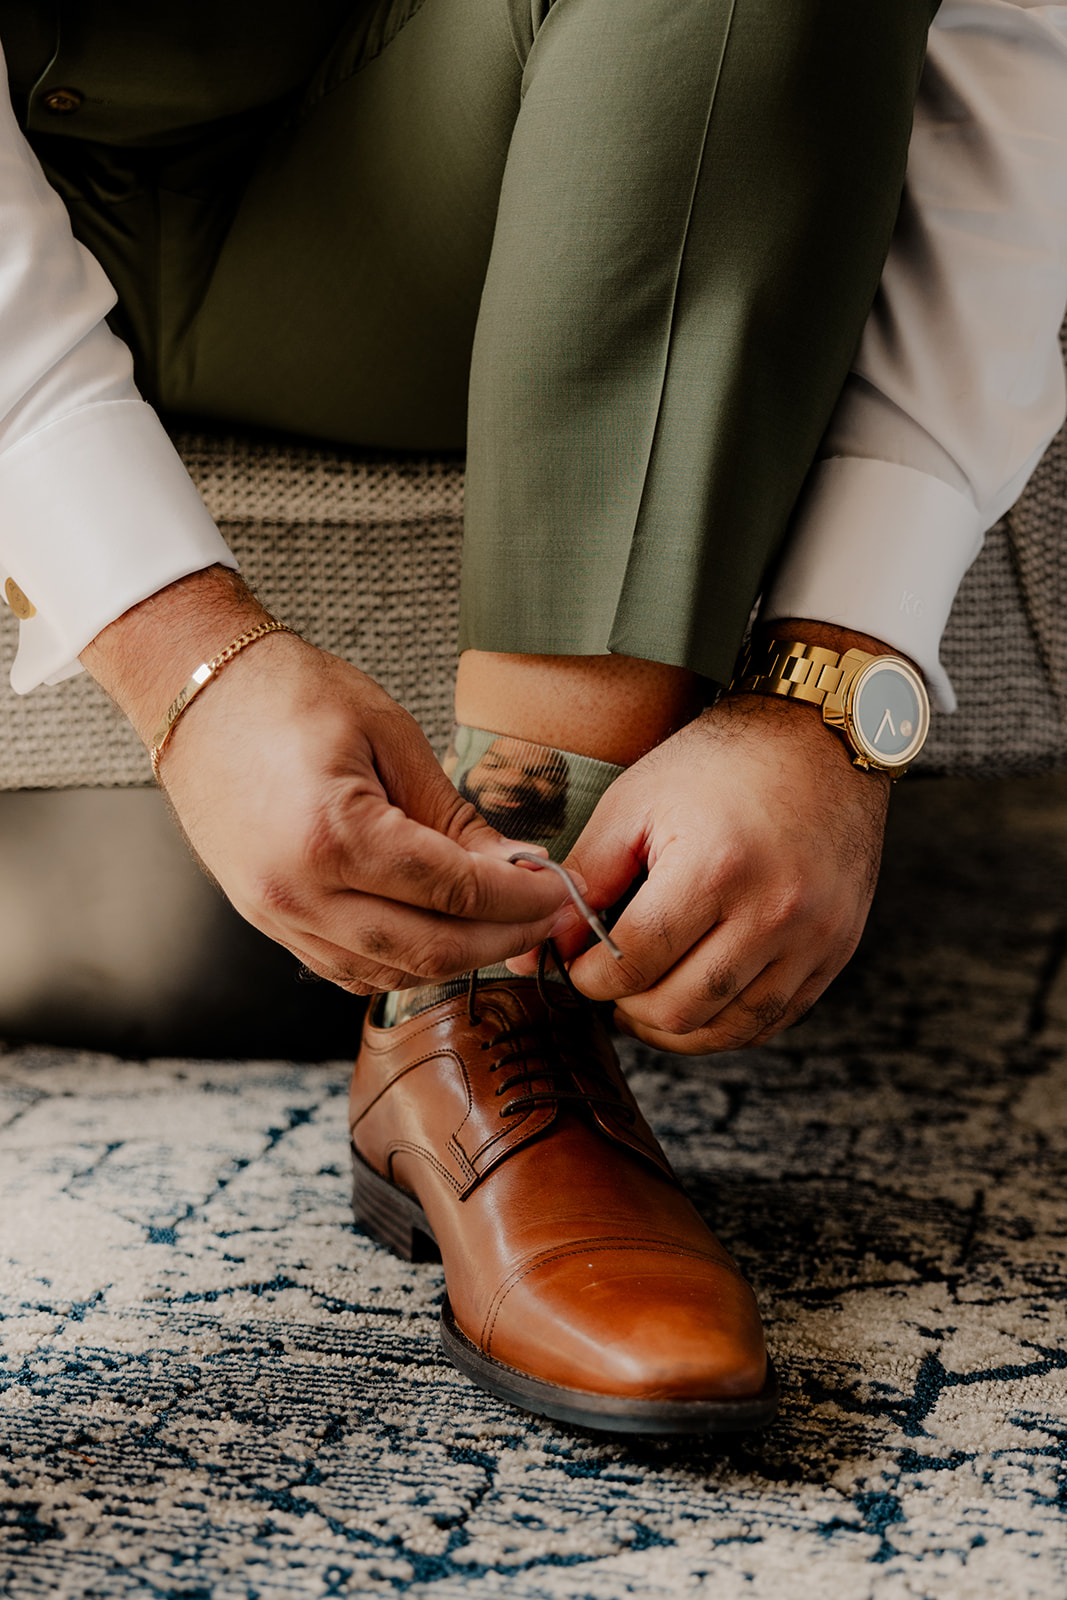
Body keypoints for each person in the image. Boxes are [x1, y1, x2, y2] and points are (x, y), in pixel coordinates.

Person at [0, 0, 1064, 1433]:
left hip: (426, 160)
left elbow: (1005, 27)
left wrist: (834, 679)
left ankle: (495, 995)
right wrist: (183, 655)